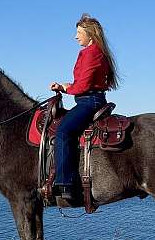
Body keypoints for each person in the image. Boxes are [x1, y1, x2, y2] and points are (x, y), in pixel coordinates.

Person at [50, 14, 120, 200]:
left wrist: (66, 88)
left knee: (63, 132)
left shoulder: (92, 53)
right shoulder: (96, 52)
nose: (76, 36)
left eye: (79, 32)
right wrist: (67, 86)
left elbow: (82, 86)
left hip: (89, 102)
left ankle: (66, 184)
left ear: (89, 34)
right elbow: (83, 82)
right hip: (90, 99)